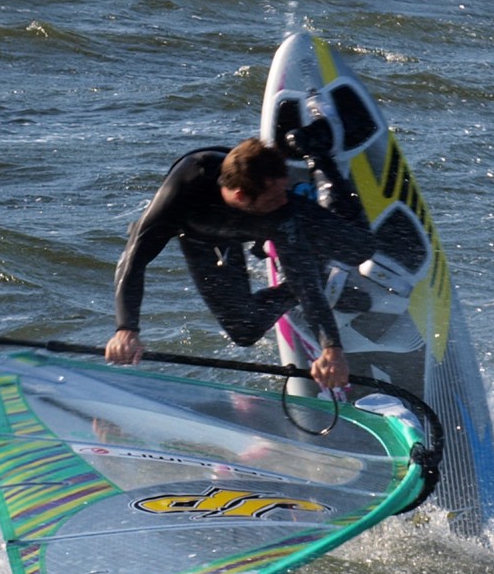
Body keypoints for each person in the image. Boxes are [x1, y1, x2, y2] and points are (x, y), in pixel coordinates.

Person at [105, 121, 376, 392]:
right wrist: (126, 329)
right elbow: (133, 259)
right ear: (240, 195)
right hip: (206, 238)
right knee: (244, 330)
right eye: (275, 197)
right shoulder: (182, 191)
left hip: (263, 224)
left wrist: (331, 348)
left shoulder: (282, 209)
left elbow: (302, 278)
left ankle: (316, 152)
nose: (284, 201)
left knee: (360, 249)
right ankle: (321, 274)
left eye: (284, 191)